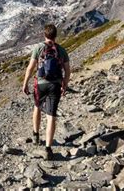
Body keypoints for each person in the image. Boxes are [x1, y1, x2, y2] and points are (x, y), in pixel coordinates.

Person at [22, 23, 71, 160]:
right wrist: (64, 85)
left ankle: (36, 135)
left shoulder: (38, 48)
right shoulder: (61, 50)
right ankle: (48, 149)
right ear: (55, 36)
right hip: (55, 85)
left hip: (40, 84)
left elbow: (30, 68)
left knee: (37, 107)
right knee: (51, 116)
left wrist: (25, 83)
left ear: (44, 35)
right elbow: (67, 70)